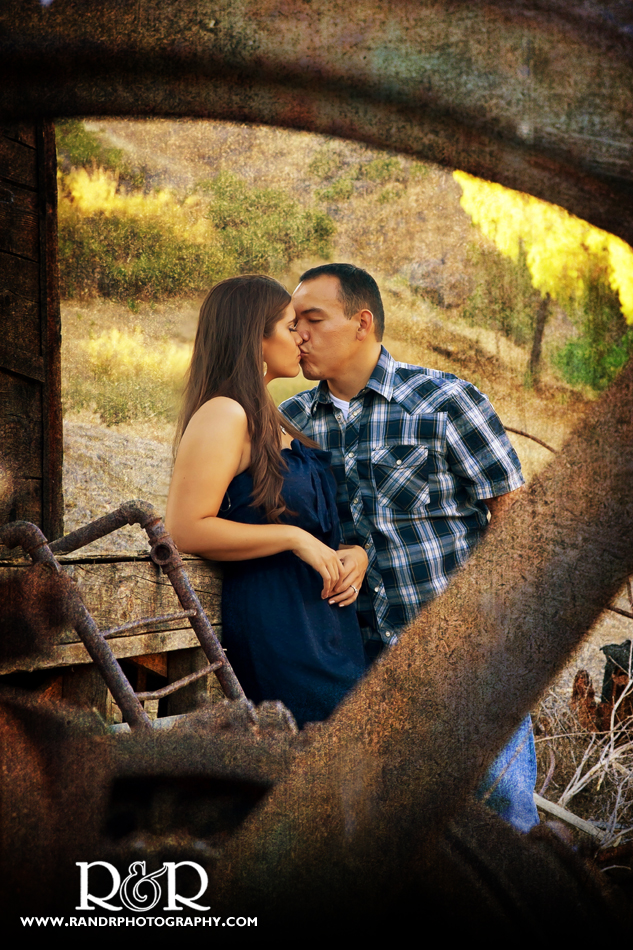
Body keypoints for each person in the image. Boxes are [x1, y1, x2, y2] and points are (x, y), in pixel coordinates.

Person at [279, 262, 539, 832]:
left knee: (503, 816)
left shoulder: (444, 401)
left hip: (463, 653)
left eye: (313, 319)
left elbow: (514, 516)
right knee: (391, 829)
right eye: (292, 322)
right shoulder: (293, 421)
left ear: (361, 323)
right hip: (356, 665)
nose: (298, 334)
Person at [165, 275, 367, 728]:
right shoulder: (225, 413)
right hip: (281, 630)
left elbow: (292, 521)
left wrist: (353, 553)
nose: (301, 337)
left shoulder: (273, 418)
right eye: (290, 326)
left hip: (327, 628)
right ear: (254, 337)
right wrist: (295, 538)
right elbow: (184, 527)